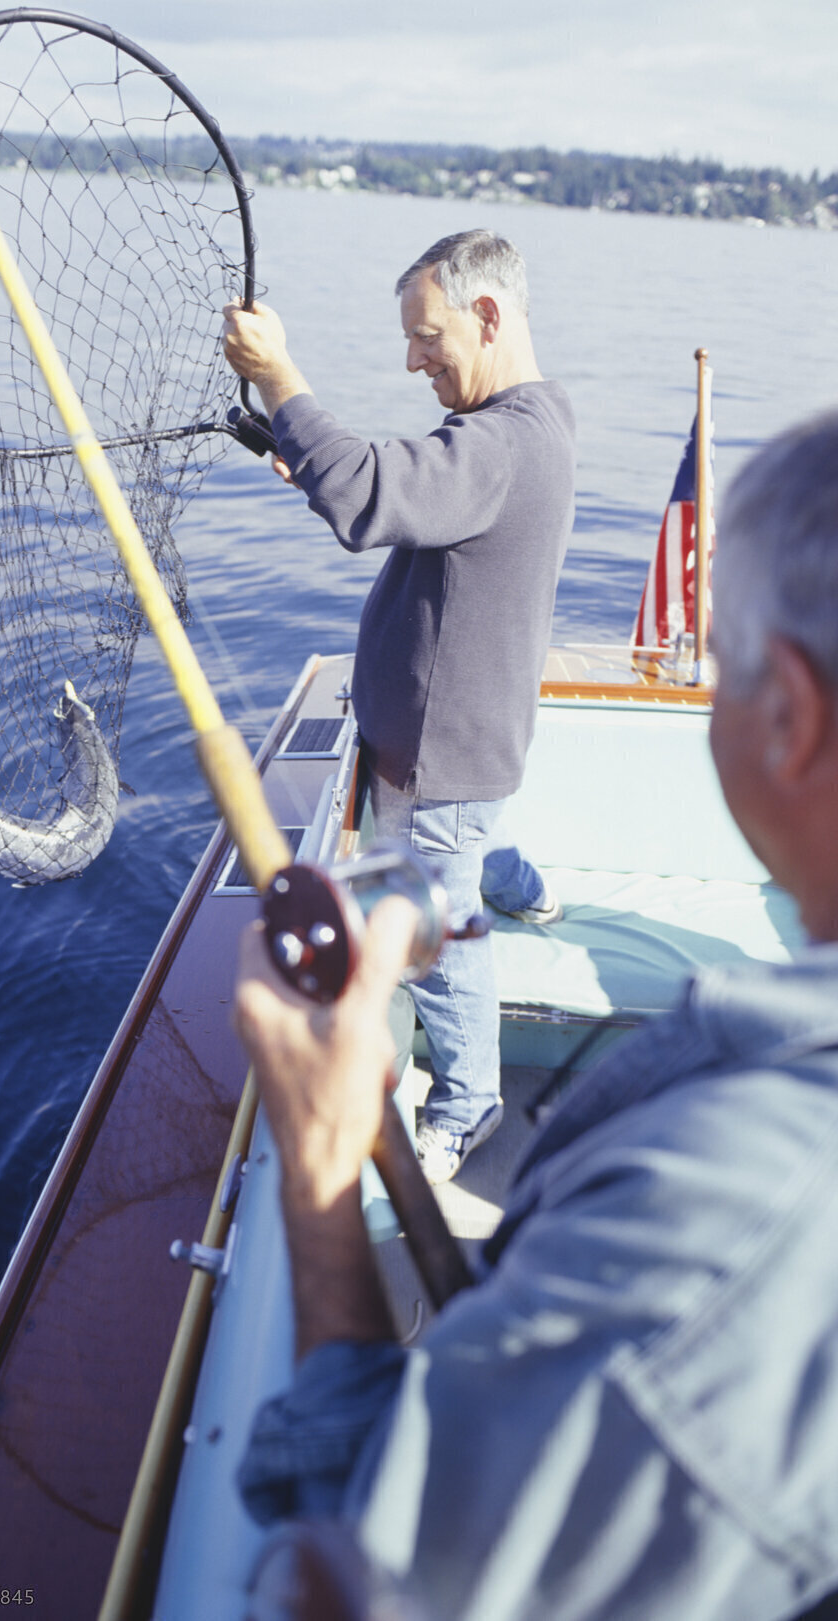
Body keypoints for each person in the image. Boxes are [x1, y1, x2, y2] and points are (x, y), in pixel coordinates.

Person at [232, 411, 838, 1619]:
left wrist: (318, 1159)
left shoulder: (730, 1217)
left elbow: (350, 1568)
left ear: (791, 718)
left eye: (717, 656)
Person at [223, 230, 575, 1185]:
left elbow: (374, 495)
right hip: (476, 743)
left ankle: (470, 1100)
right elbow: (402, 497)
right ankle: (518, 880)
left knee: (439, 935)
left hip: (443, 758)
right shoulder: (539, 421)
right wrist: (319, 459)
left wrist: (279, 377)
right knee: (467, 838)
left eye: (428, 337)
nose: (412, 359)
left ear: (488, 315)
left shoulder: (498, 443)